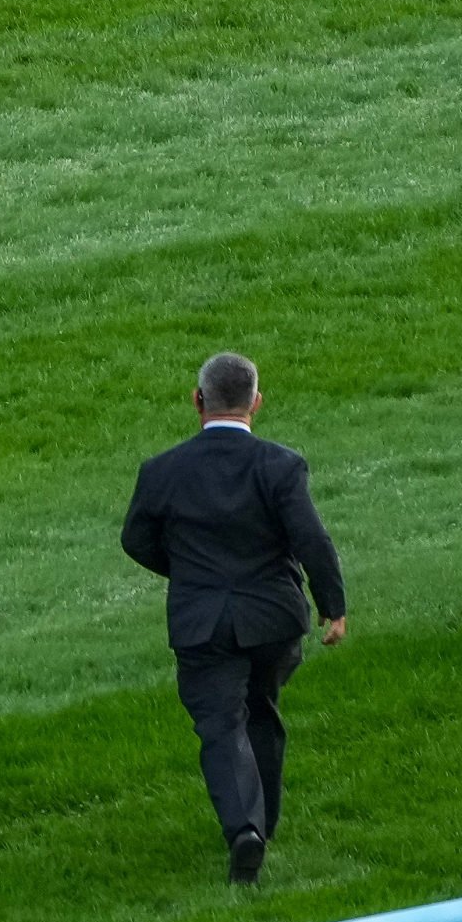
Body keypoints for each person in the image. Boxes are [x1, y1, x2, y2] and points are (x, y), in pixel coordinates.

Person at [120, 351, 347, 887]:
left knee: (221, 724)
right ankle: (263, 822)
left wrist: (188, 572)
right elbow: (311, 539)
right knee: (261, 709)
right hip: (274, 618)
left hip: (202, 622)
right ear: (256, 403)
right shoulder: (280, 465)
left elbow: (136, 539)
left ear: (197, 401)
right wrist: (332, 606)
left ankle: (244, 829)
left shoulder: (162, 471)